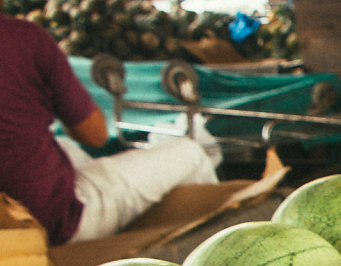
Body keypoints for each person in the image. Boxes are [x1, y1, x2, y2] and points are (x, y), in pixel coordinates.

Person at [0, 8, 219, 246]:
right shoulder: (25, 38)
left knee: (63, 146)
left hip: (11, 224)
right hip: (52, 223)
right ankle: (206, 253)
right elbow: (94, 135)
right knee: (192, 153)